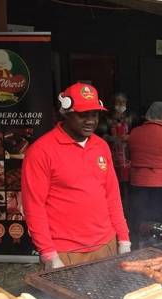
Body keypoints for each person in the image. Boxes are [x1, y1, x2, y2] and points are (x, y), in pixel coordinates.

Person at [22, 82, 130, 269]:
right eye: (82, 115)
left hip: (106, 245)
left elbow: (112, 196)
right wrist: (49, 254)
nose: (90, 121)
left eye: (94, 114)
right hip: (66, 252)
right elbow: (34, 207)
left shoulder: (101, 146)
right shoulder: (40, 151)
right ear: (66, 113)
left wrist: (124, 239)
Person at [128, 101, 162, 246]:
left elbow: (128, 155)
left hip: (137, 183)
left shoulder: (134, 133)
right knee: (158, 219)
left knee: (140, 218)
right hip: (160, 185)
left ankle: (138, 247)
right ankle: (156, 247)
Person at [104, 92, 135, 190]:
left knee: (128, 182)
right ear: (113, 103)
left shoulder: (131, 117)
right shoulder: (106, 118)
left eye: (123, 102)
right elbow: (101, 136)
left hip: (127, 154)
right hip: (112, 153)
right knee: (114, 181)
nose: (121, 104)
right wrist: (114, 138)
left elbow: (137, 132)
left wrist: (129, 136)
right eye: (118, 102)